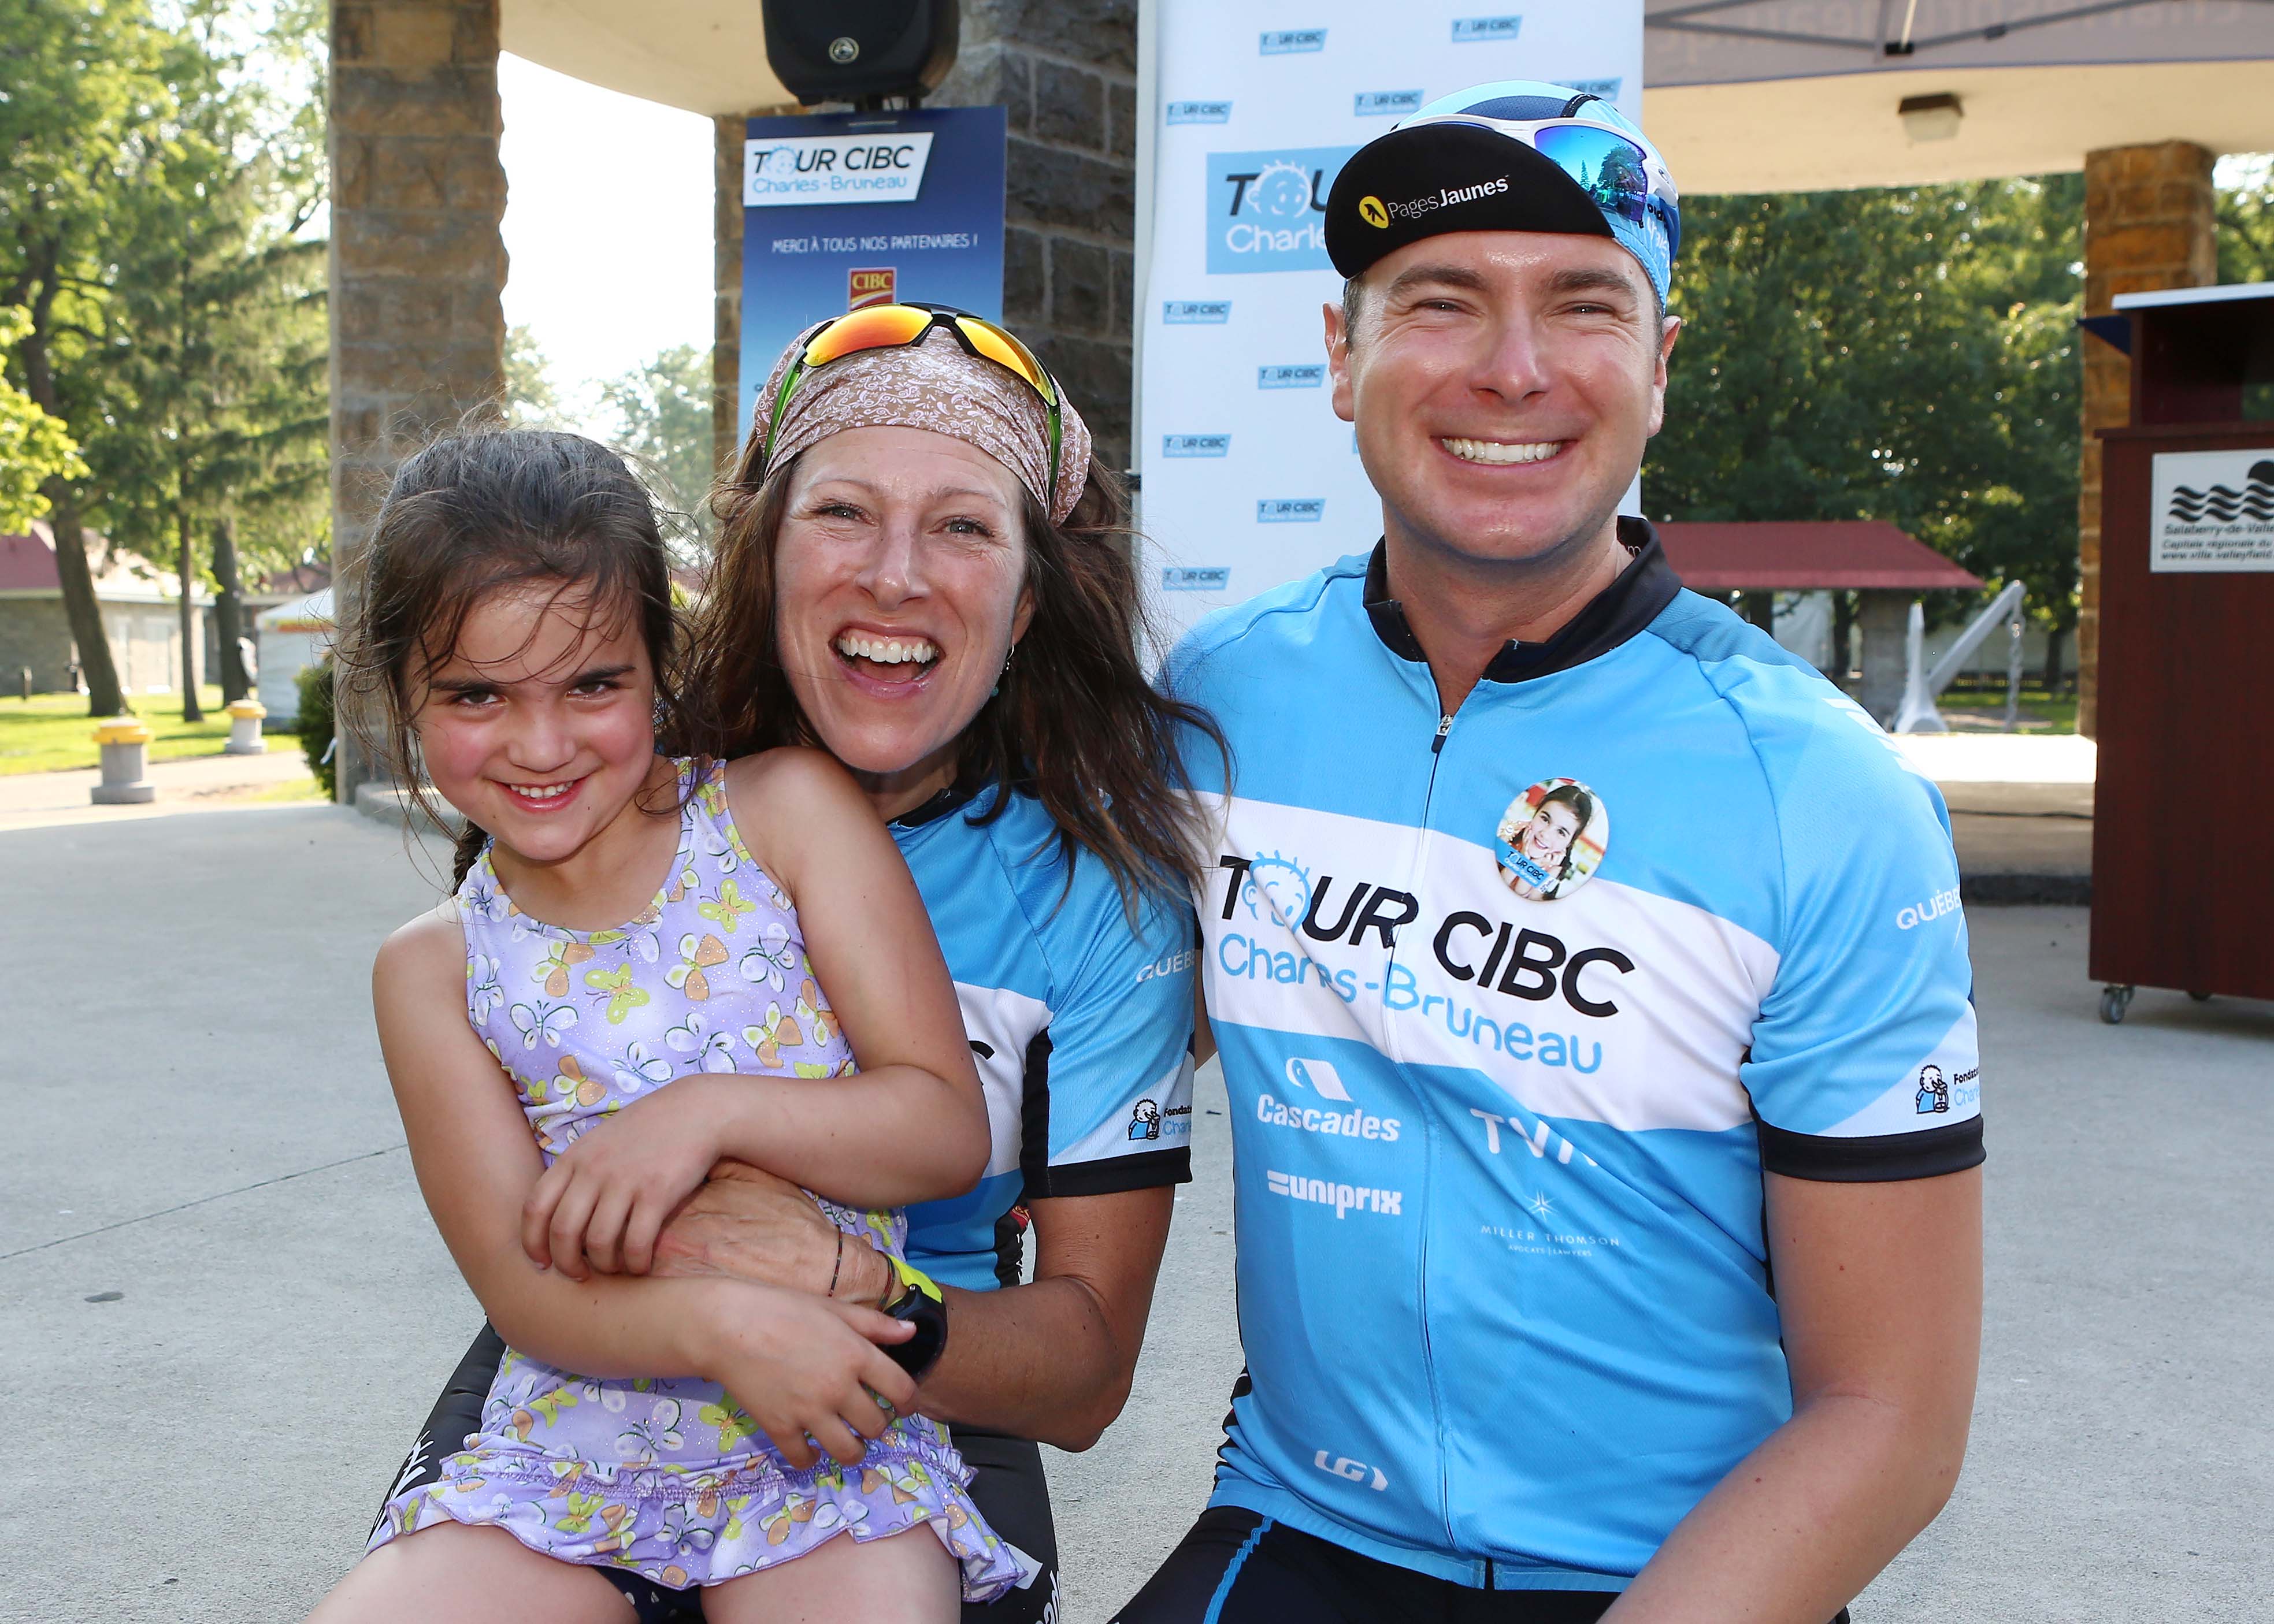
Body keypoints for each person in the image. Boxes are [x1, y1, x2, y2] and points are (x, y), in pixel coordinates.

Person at [1119, 83, 1984, 1623]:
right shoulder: (1217, 702)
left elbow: (1889, 1417)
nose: (1511, 368)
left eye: (1582, 304)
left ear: (1657, 366)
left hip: (1680, 1568)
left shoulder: (1820, 790)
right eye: (1439, 300)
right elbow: (1051, 1030)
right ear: (1339, 357)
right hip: (1305, 1514)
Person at [378, 309, 1225, 1623]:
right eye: (842, 512)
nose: (894, 575)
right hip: (600, 1361)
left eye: (961, 525)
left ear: (1028, 597)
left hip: (909, 1366)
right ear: (763, 556)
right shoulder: (606, 774)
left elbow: (1086, 1372)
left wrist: (844, 1283)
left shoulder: (1098, 904)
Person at [309, 428, 1026, 1621]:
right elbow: (525, 1293)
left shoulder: (784, 817)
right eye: (478, 694)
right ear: (402, 696)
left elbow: (944, 1127)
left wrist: (704, 1115)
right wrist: (724, 1324)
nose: (542, 744)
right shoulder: (433, 970)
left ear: (659, 665)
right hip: (567, 1455)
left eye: (593, 684)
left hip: (824, 1439)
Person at [1496, 779, 1598, 900]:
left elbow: (1526, 898)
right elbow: (1495, 880)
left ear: (1570, 842)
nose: (1545, 834)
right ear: (1536, 814)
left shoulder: (1555, 871)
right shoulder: (1512, 833)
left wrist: (1534, 864)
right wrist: (1523, 856)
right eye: (1545, 819)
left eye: (1561, 832)